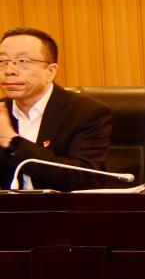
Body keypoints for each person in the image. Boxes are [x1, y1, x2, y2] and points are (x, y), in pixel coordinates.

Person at [0, 27, 113, 187]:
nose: (9, 71)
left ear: (50, 71)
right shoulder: (2, 111)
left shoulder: (87, 112)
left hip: (62, 203)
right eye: (2, 61)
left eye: (23, 61)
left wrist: (13, 142)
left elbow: (83, 177)